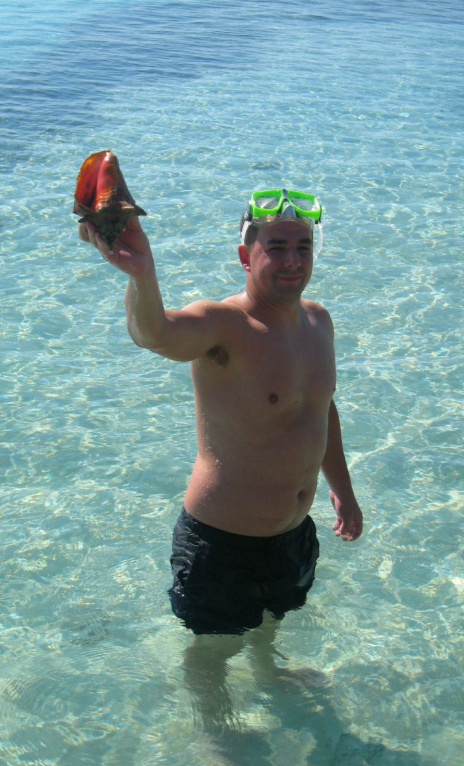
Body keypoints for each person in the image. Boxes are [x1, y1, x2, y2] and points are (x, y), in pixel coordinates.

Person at [78, 187, 362, 726]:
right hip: (221, 542)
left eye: (303, 245)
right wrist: (142, 274)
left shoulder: (319, 322)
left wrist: (343, 491)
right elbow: (155, 333)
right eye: (276, 246)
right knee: (210, 650)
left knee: (272, 617)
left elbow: (323, 411)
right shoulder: (223, 326)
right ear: (244, 255)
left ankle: (268, 672)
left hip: (293, 532)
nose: (292, 259)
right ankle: (215, 726)